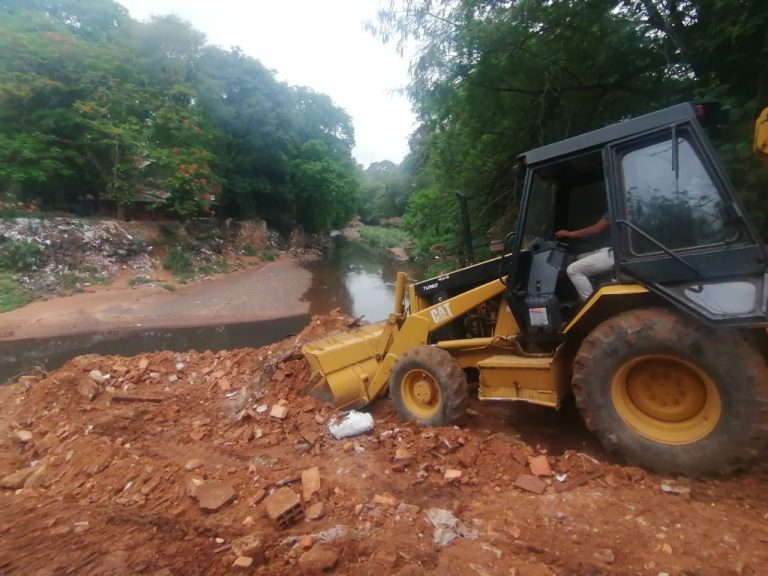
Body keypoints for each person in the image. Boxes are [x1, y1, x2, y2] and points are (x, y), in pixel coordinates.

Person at [555, 213, 613, 301]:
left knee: (573, 270)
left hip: (614, 252)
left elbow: (596, 229)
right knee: (580, 257)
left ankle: (592, 306)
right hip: (610, 250)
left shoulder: (617, 207)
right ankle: (581, 297)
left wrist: (570, 234)